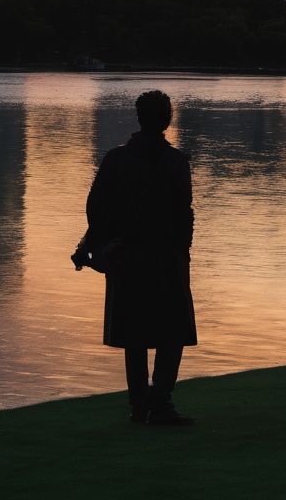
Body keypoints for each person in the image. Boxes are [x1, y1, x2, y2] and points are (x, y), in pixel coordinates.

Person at [85, 90, 197, 426]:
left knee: (134, 335)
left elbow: (96, 210)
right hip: (165, 257)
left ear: (139, 118)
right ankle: (160, 400)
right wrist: (183, 252)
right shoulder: (176, 162)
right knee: (171, 333)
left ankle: (139, 404)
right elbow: (184, 216)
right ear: (167, 119)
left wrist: (98, 244)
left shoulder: (115, 159)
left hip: (127, 259)